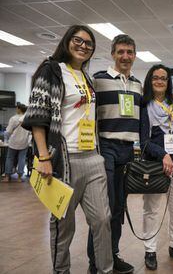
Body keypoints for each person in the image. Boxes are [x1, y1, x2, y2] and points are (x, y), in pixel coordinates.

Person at [22, 25, 113, 274]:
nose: (83, 46)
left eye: (89, 44)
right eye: (78, 40)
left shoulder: (86, 77)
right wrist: (43, 157)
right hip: (64, 160)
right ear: (67, 41)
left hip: (93, 158)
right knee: (63, 224)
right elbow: (38, 118)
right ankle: (61, 271)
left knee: (103, 220)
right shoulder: (51, 70)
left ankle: (105, 270)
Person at [87, 34, 141, 274]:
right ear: (112, 54)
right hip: (105, 146)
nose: (125, 56)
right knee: (104, 207)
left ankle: (113, 254)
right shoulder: (98, 80)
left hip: (128, 150)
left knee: (119, 208)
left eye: (129, 52)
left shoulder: (138, 84)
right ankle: (95, 262)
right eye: (120, 52)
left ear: (135, 55)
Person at [139, 64, 173, 270]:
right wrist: (163, 155)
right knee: (151, 209)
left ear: (168, 82)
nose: (160, 81)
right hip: (153, 165)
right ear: (149, 81)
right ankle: (150, 250)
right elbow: (143, 142)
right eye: (155, 78)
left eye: (164, 78)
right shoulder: (144, 107)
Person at [3, 103, 30, 182]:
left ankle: (7, 177)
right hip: (24, 142)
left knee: (10, 158)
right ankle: (19, 178)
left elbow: (8, 131)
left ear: (19, 109)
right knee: (22, 159)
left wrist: (6, 138)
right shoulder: (27, 119)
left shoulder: (13, 118)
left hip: (13, 142)